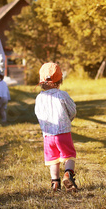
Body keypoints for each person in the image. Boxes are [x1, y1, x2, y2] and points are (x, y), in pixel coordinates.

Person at [34, 62, 78, 192]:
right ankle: (68, 174)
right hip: (63, 133)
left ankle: (55, 183)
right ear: (60, 80)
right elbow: (72, 110)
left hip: (48, 135)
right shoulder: (62, 95)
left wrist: (44, 126)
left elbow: (38, 114)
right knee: (69, 155)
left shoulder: (39, 98)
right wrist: (67, 120)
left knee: (53, 159)